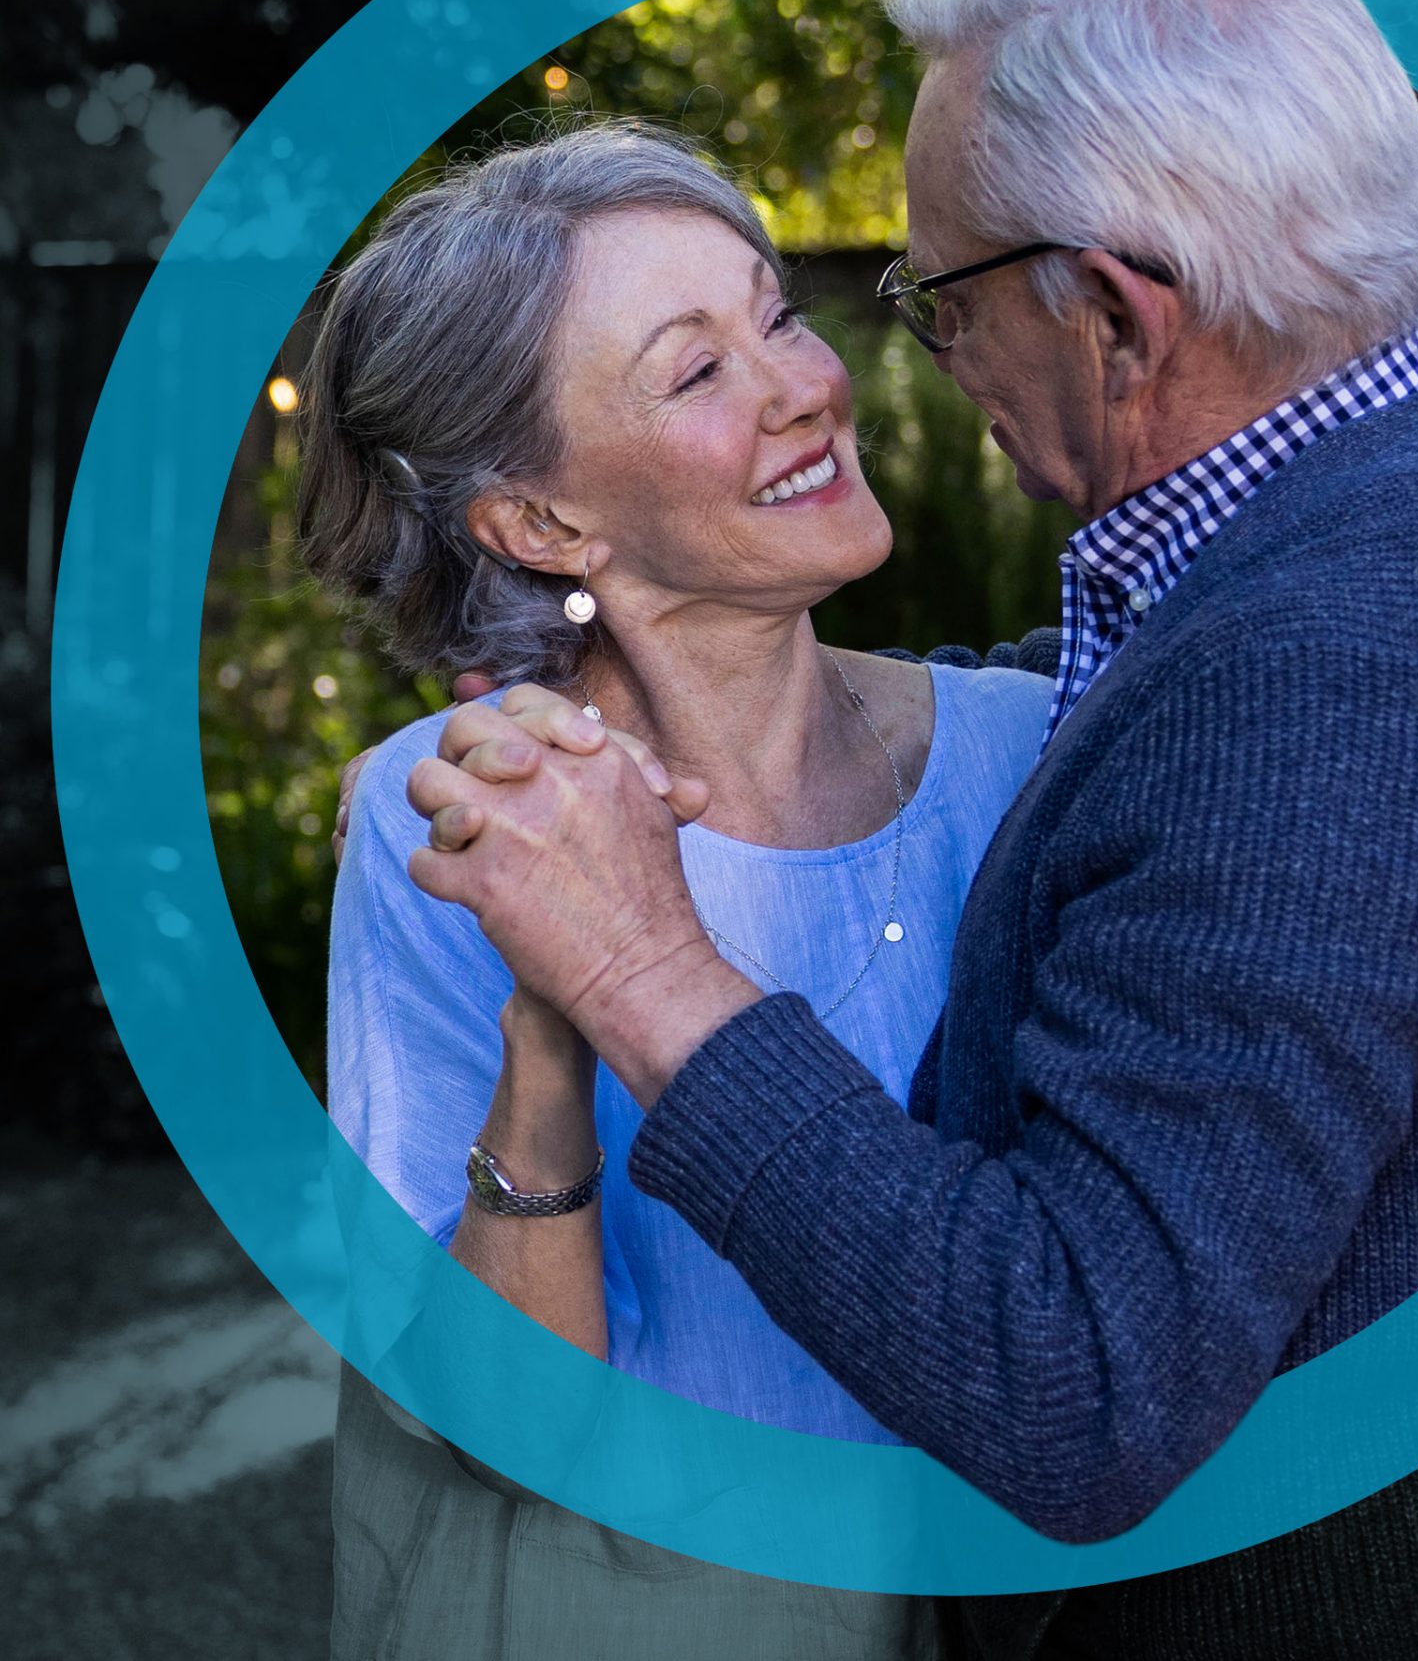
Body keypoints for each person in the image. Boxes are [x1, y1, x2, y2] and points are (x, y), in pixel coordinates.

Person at [404, 0, 1418, 1657]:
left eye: (937, 296)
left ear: (1119, 315)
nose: (873, 361)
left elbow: (1077, 1387)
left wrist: (634, 969)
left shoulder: (1323, 688)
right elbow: (1184, 740)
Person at [302, 119, 1055, 1658]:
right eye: (696, 370)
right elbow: (499, 1420)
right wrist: (552, 1021)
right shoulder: (447, 816)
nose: (805, 387)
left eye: (776, 316)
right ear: (542, 522)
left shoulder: (1034, 752)